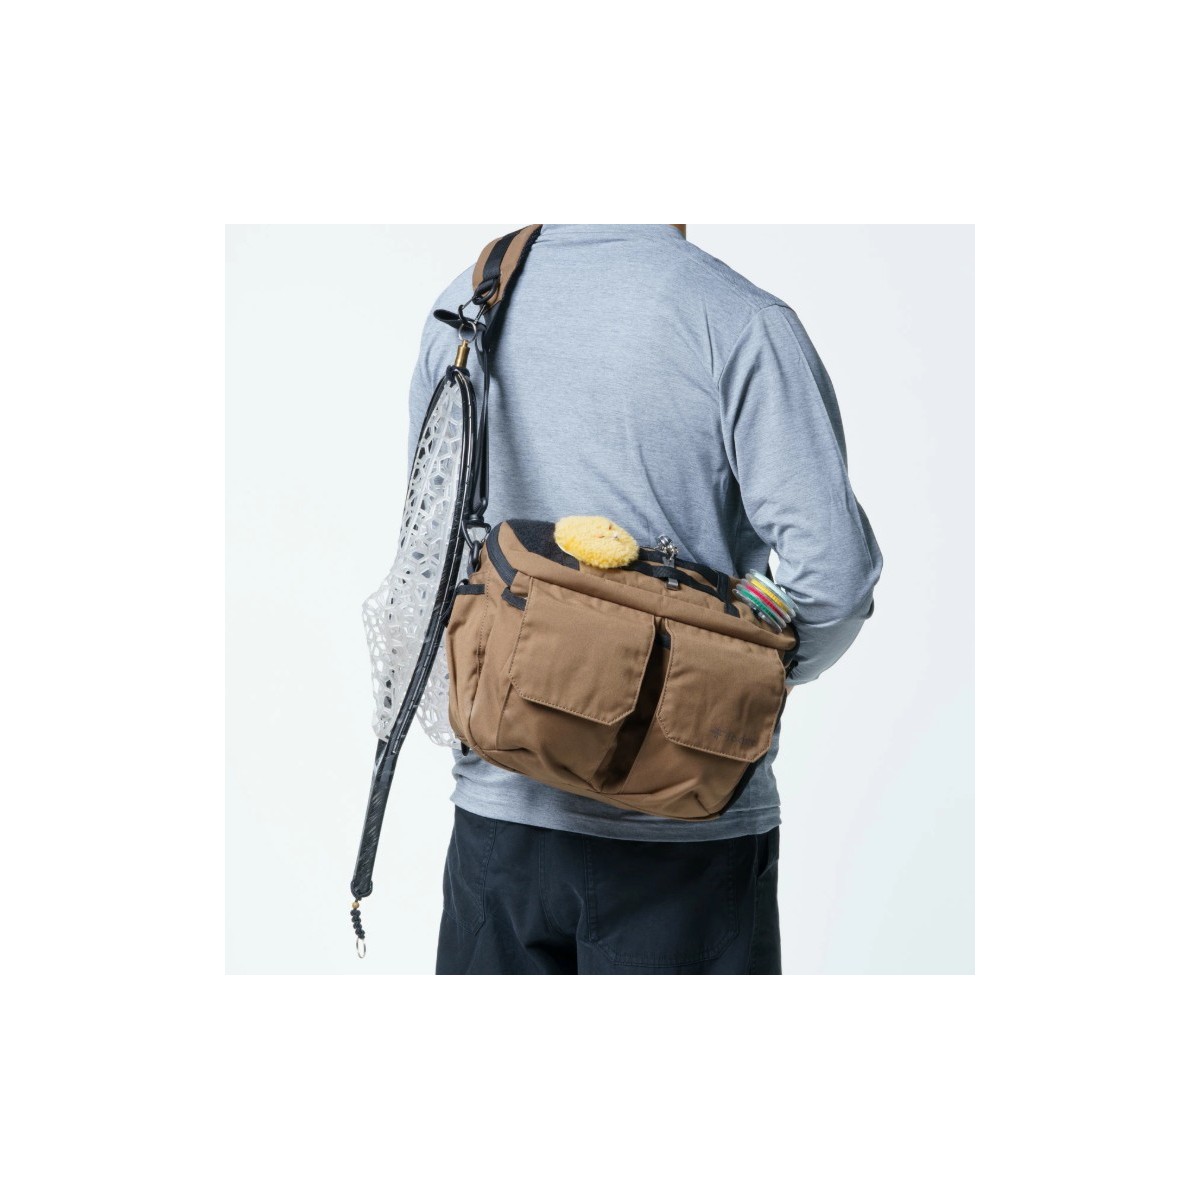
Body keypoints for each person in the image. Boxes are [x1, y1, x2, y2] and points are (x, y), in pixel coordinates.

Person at [407, 225, 882, 974]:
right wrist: (724, 688)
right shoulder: (737, 320)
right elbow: (835, 578)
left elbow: (429, 557)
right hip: (686, 822)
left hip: (502, 820)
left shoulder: (470, 304)